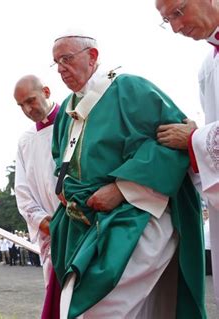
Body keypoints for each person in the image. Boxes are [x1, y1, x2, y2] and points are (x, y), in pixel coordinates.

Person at [42, 31, 205, 319]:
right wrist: (65, 186)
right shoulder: (67, 110)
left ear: (92, 57)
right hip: (82, 221)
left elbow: (174, 143)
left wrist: (122, 189)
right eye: (56, 62)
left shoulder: (130, 89)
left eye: (66, 59)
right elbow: (61, 160)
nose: (61, 68)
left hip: (134, 216)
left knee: (98, 308)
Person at [155, 0, 219, 307]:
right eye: (167, 20)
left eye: (179, 12)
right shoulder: (208, 66)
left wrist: (194, 139)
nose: (176, 27)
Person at [13, 75, 61, 284]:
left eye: (31, 100)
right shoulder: (26, 140)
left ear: (46, 92)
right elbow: (22, 191)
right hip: (51, 232)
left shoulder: (76, 122)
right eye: (21, 105)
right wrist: (43, 222)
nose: (27, 110)